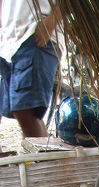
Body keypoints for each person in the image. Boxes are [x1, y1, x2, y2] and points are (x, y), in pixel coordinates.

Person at [0, 0, 62, 140]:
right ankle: (39, 159)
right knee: (22, 109)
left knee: (25, 109)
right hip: (10, 38)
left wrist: (52, 21)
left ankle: (43, 160)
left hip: (37, 32)